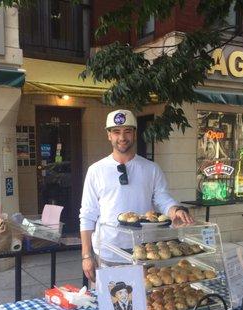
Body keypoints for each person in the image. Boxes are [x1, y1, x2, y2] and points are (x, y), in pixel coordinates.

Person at [79, 109, 194, 282]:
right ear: (109, 135)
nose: (122, 137)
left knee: (145, 302)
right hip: (108, 251)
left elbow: (162, 199)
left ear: (134, 134)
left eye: (127, 131)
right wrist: (86, 255)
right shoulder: (96, 170)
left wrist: (174, 210)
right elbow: (87, 214)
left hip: (144, 251)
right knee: (111, 304)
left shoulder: (151, 168)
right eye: (116, 132)